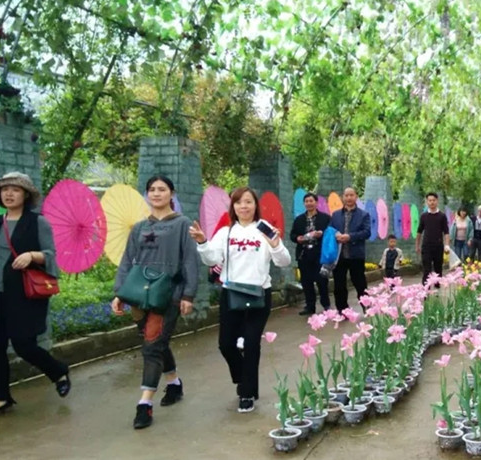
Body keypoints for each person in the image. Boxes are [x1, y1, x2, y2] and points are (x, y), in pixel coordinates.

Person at [189, 187, 291, 414]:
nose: (243, 206)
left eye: (248, 202)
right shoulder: (226, 233)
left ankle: (246, 393)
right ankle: (243, 377)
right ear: (233, 207)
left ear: (255, 205)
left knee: (252, 343)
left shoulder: (264, 229)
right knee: (226, 344)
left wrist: (275, 244)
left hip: (259, 295)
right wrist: (203, 242)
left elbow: (284, 261)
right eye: (238, 202)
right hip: (231, 295)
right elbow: (212, 259)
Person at [111, 175, 199, 428]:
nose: (156, 193)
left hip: (168, 294)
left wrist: (188, 294)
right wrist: (119, 292)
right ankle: (174, 384)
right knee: (157, 343)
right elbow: (127, 260)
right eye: (152, 189)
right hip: (139, 295)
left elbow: (190, 260)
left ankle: (144, 404)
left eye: (162, 189)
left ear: (172, 194)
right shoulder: (139, 227)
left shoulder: (182, 224)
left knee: (151, 347)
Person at [0, 172, 70, 413]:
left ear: (26, 195)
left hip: (24, 295)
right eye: (5, 189)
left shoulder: (38, 222)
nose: (8, 193)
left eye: (15, 189)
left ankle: (58, 371)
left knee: (22, 345)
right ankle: (0, 396)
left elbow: (51, 256)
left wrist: (31, 255)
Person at [329, 187, 371, 310]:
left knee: (360, 283)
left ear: (356, 197)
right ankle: (342, 310)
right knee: (339, 285)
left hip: (356, 255)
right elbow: (330, 230)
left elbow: (367, 232)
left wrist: (350, 237)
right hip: (339, 256)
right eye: (346, 195)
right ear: (343, 197)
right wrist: (336, 235)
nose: (349, 198)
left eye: (351, 195)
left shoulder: (363, 215)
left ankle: (367, 308)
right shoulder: (336, 215)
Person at [289, 193, 331, 316]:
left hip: (320, 254)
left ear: (316, 203)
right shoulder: (299, 219)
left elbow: (330, 233)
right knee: (306, 282)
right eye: (306, 201)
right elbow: (292, 235)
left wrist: (321, 233)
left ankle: (326, 304)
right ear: (304, 204)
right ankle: (310, 306)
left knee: (322, 280)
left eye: (311, 201)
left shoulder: (325, 218)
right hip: (304, 254)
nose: (309, 203)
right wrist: (298, 238)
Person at [416, 192, 451, 286]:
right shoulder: (424, 216)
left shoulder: (442, 216)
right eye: (430, 200)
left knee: (438, 269)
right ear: (427, 202)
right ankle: (425, 289)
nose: (432, 202)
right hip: (426, 246)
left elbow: (446, 232)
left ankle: (437, 288)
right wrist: (417, 245)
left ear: (437, 201)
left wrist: (447, 245)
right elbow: (419, 232)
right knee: (426, 269)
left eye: (433, 200)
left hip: (438, 246)